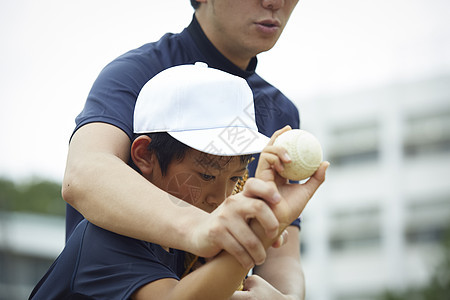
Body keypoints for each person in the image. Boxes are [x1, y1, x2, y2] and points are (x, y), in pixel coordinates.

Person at [63, 1, 305, 298]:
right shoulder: (136, 73)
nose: (274, 2)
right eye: (206, 175)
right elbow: (84, 174)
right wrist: (207, 230)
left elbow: (281, 255)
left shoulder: (279, 111)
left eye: (234, 178)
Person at [31, 64, 328, 300]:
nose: (220, 198)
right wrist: (255, 237)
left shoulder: (192, 248)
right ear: (144, 154)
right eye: (207, 175)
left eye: (236, 179)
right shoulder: (104, 237)